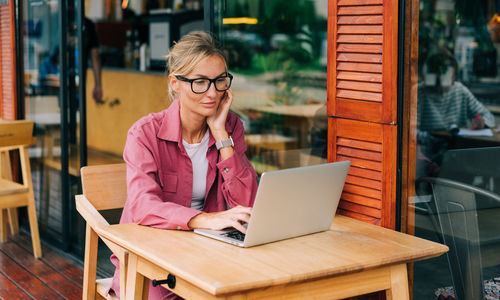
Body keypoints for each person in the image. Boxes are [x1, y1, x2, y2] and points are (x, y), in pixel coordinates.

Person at [108, 31, 259, 299]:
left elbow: (247, 202)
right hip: (152, 256)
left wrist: (222, 137)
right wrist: (205, 220)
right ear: (175, 83)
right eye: (200, 82)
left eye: (220, 81)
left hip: (210, 252)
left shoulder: (231, 126)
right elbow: (143, 205)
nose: (213, 93)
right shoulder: (144, 134)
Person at [416, 49, 496, 177]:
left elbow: (489, 117)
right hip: (428, 156)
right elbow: (411, 132)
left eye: (446, 77)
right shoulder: (419, 92)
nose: (441, 83)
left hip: (457, 155)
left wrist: (482, 121)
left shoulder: (460, 91)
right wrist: (433, 140)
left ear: (454, 77)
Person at [83, 17, 103, 103]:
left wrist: (98, 85)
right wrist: (98, 85)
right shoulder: (87, 24)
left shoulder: (58, 17)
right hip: (79, 79)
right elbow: (95, 55)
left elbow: (95, 55)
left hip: (59, 78)